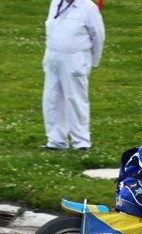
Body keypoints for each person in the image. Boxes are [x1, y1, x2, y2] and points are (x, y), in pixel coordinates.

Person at [42, 0, 105, 151]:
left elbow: (98, 36)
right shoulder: (55, 3)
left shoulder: (88, 8)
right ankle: (56, 141)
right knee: (51, 99)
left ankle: (81, 142)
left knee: (75, 100)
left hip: (74, 59)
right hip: (52, 58)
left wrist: (93, 61)